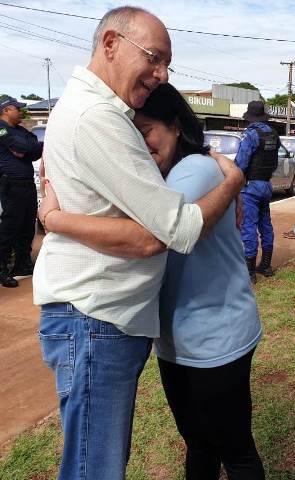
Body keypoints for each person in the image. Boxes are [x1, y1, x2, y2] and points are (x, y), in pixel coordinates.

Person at [33, 7, 243, 480]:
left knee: (100, 461)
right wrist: (232, 185)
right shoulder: (97, 118)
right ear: (110, 44)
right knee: (96, 468)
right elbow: (169, 233)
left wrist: (56, 218)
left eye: (167, 63)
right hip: (95, 316)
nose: (162, 74)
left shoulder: (95, 113)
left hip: (101, 318)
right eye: (154, 57)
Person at [0, 96, 43, 288]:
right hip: (11, 184)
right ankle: (2, 269)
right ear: (7, 110)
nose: (21, 112)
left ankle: (22, 264)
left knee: (27, 225)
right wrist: (25, 149)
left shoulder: (20, 130)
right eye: (18, 108)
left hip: (26, 184)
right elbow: (22, 147)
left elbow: (34, 148)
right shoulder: (1, 129)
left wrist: (26, 149)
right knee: (10, 228)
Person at [235, 100, 280, 283]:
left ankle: (250, 272)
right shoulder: (273, 134)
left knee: (248, 227)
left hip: (251, 188)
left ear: (250, 118)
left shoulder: (250, 135)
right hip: (266, 185)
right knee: (265, 225)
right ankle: (266, 265)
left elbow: (241, 163)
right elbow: (275, 162)